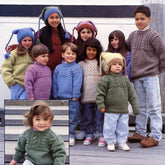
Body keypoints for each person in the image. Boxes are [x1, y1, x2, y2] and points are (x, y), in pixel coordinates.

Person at [127, 5, 165, 147]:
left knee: (154, 107)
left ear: (149, 19)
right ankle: (140, 131)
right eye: (137, 19)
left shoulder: (154, 36)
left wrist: (159, 69)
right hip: (137, 77)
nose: (139, 21)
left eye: (142, 18)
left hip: (150, 76)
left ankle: (155, 135)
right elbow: (127, 52)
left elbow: (163, 55)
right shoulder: (132, 36)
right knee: (140, 106)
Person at [96, 52, 139, 151]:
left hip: (123, 110)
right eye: (114, 64)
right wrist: (101, 104)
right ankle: (110, 141)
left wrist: (135, 107)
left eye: (120, 64)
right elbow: (100, 94)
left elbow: (132, 95)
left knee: (123, 127)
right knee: (110, 127)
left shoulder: (125, 80)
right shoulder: (105, 79)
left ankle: (122, 141)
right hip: (110, 109)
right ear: (108, 67)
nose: (118, 66)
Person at [9, 100, 66, 165]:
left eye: (45, 119)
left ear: (50, 121)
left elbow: (60, 154)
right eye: (37, 119)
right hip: (31, 161)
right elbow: (20, 149)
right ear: (31, 120)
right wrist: (15, 159)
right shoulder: (26, 134)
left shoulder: (53, 138)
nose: (41, 123)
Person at [53, 43, 83, 146]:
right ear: (62, 54)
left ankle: (71, 135)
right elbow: (55, 83)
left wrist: (75, 96)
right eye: (68, 53)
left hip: (72, 99)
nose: (70, 56)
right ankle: (61, 136)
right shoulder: (58, 68)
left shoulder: (76, 68)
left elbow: (77, 83)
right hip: (59, 98)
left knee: (72, 119)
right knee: (61, 118)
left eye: (73, 53)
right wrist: (55, 95)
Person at [78, 38, 105, 147]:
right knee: (87, 117)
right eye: (89, 49)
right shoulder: (81, 63)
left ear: (98, 51)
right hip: (86, 96)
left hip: (99, 97)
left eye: (94, 50)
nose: (91, 52)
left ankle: (101, 134)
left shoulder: (101, 63)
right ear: (85, 50)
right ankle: (89, 134)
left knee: (100, 117)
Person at [36, 6, 72, 73]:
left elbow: (75, 44)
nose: (55, 20)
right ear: (47, 19)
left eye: (57, 17)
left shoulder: (66, 34)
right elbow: (28, 44)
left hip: (63, 71)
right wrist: (15, 46)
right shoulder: (40, 33)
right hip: (45, 70)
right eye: (51, 18)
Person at [1, 27, 35, 100]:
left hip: (29, 86)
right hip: (16, 84)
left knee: (24, 105)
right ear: (20, 41)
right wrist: (11, 81)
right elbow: (5, 68)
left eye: (30, 40)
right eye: (24, 40)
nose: (27, 42)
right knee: (15, 105)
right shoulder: (14, 53)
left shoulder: (34, 53)